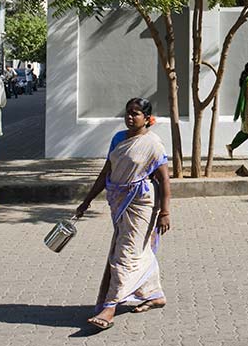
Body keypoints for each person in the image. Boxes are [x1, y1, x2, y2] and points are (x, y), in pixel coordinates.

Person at [76, 97, 171, 329]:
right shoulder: (118, 139)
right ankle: (154, 294)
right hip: (118, 203)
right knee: (138, 248)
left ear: (147, 118)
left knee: (124, 254)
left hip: (142, 204)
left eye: (136, 113)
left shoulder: (153, 144)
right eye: (128, 113)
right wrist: (87, 200)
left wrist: (165, 212)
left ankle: (110, 307)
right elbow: (107, 170)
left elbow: (164, 179)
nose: (130, 117)